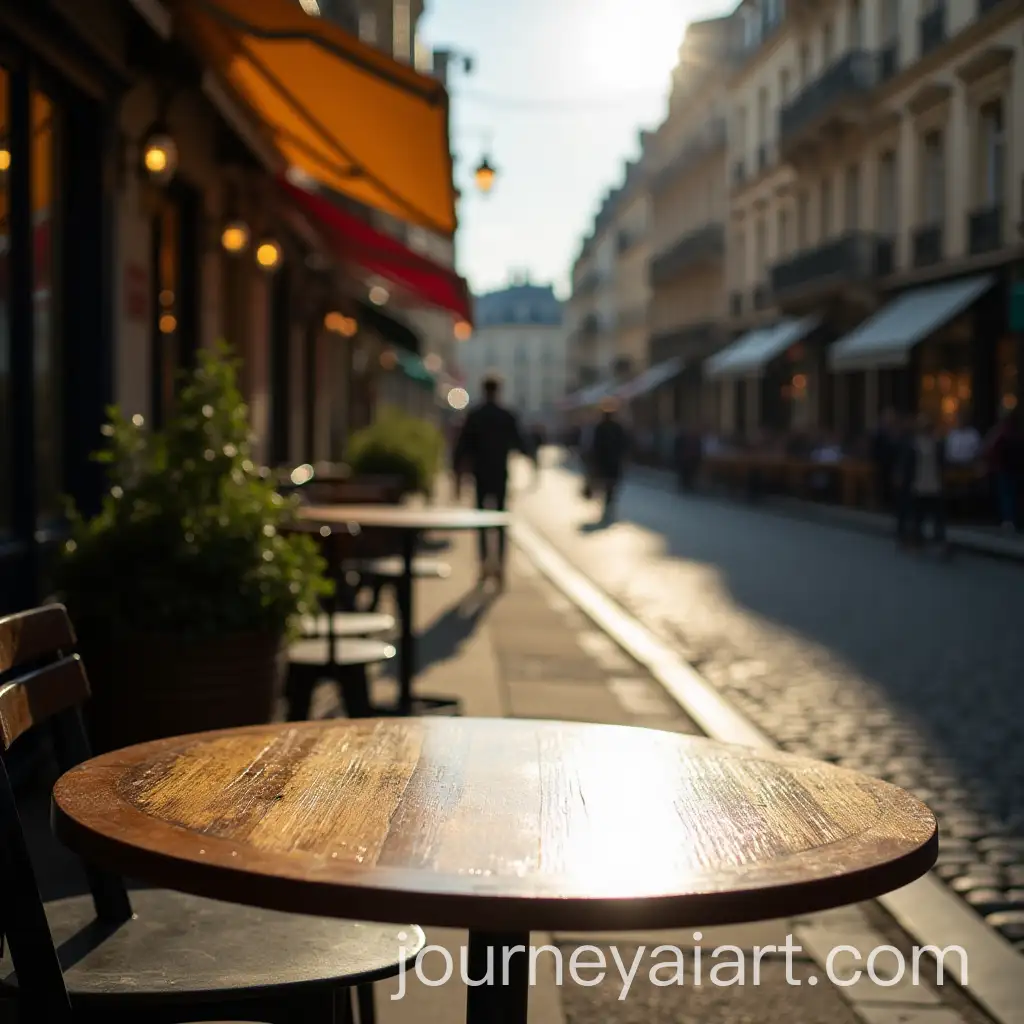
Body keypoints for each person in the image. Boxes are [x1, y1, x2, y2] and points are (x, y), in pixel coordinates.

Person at [453, 374, 525, 585]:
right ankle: (500, 566)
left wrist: (457, 475)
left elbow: (462, 448)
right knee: (501, 522)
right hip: (499, 474)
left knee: (482, 523)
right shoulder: (506, 415)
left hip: (480, 474)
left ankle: (484, 564)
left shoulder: (475, 415)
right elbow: (520, 442)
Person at [896, 411, 949, 556]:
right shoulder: (913, 444)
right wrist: (903, 479)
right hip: (918, 484)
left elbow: (942, 463)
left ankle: (940, 542)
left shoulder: (937, 443)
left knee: (938, 516)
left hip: (934, 484)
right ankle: (916, 541)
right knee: (917, 516)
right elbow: (907, 464)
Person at [588, 397, 630, 521]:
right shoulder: (615, 427)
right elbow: (624, 445)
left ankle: (608, 504)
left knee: (607, 485)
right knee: (611, 485)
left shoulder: (601, 427)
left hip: (605, 461)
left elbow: (595, 446)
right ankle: (609, 503)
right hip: (611, 462)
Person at [983, 407, 1024, 531]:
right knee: (1010, 495)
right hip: (1008, 469)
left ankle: (1009, 520)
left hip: (1008, 469)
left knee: (1008, 495)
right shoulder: (1012, 433)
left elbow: (988, 448)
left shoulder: (1000, 433)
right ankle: (1012, 519)